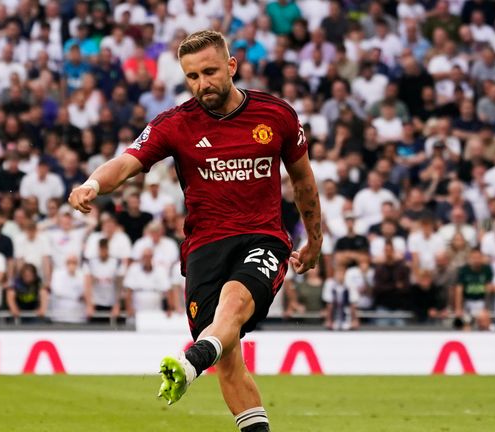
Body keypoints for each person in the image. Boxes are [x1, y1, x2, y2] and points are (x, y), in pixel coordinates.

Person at [68, 30, 321, 428]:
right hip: (204, 249)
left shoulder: (276, 115)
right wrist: (92, 184)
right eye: (192, 76)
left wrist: (314, 242)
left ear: (231, 66)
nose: (203, 84)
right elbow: (127, 161)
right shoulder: (176, 124)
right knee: (230, 358)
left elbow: (304, 181)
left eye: (210, 72)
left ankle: (192, 361)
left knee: (234, 301)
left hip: (263, 238)